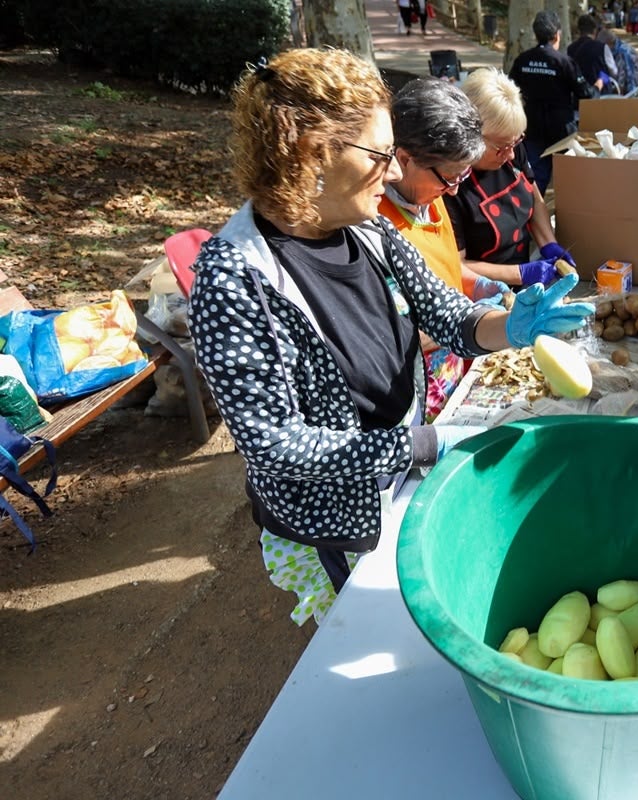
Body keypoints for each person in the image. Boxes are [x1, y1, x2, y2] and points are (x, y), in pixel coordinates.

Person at [188, 49, 593, 627]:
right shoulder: (235, 278)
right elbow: (275, 446)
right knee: (362, 632)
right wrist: (422, 446)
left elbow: (447, 313)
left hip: (396, 475)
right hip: (334, 518)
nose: (397, 172)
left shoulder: (369, 227)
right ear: (313, 154)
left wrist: (513, 325)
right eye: (381, 154)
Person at [375, 78, 504, 423]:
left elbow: (445, 268)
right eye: (449, 178)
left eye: (461, 178)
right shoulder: (373, 224)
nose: (452, 191)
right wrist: (474, 318)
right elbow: (386, 341)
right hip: (414, 390)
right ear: (404, 159)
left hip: (453, 367)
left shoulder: (428, 194)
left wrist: (477, 285)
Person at [444, 68, 576, 288]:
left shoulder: (510, 148)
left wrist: (549, 245)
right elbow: (456, 264)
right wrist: (520, 274)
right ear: (471, 134)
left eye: (516, 142)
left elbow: (533, 195)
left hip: (523, 283)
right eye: (502, 146)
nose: (512, 155)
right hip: (483, 294)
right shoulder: (450, 182)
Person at [509, 10, 601, 193]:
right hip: (561, 130)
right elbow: (586, 94)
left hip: (532, 126)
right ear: (557, 34)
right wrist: (599, 85)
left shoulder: (523, 60)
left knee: (534, 180)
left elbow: (510, 89)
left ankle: (533, 214)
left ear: (536, 34)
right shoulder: (564, 62)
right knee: (569, 180)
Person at [567, 14, 619, 94]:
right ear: (595, 30)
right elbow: (614, 71)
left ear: (579, 30)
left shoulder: (570, 48)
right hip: (601, 94)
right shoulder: (602, 47)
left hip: (579, 95)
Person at [597, 27, 638, 93]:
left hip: (637, 88)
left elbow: (623, 81)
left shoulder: (622, 53)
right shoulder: (620, 47)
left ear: (608, 43)